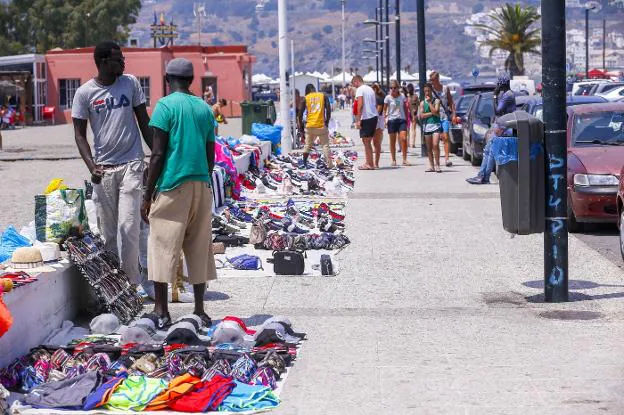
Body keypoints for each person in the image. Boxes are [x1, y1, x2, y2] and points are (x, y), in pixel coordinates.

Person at [141, 58, 217, 328]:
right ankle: (199, 310)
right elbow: (211, 156)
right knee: (198, 246)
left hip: (173, 184)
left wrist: (147, 194)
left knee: (162, 246)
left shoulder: (165, 106)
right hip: (202, 185)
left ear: (167, 79)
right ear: (191, 81)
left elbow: (158, 154)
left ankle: (161, 310)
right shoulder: (205, 109)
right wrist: (204, 181)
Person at [72, 41, 152, 289]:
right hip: (104, 170)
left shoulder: (130, 83)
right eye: (119, 59)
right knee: (107, 235)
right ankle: (115, 287)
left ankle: (132, 283)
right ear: (104, 62)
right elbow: (79, 135)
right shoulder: (84, 93)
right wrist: (91, 165)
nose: (124, 63)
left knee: (129, 226)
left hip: (132, 164)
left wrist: (160, 155)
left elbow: (144, 122)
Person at [466, 73, 517, 185]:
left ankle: (483, 176)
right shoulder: (507, 94)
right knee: (489, 150)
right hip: (500, 126)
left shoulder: (508, 95)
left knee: (490, 151)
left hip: (502, 128)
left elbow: (497, 111)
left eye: (499, 84)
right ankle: (483, 175)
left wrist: (494, 96)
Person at [298, 84, 332, 168]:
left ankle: (304, 163)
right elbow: (328, 109)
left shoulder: (306, 98)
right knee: (325, 145)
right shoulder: (323, 96)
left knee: (307, 146)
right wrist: (327, 122)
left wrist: (302, 128)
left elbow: (300, 114)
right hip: (321, 125)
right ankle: (329, 164)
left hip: (310, 126)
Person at [429, 71, 455, 167]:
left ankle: (447, 159)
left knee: (445, 137)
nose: (431, 81)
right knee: (435, 141)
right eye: (430, 80)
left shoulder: (445, 89)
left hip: (444, 116)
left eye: (433, 80)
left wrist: (454, 115)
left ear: (437, 79)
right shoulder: (430, 90)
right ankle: (437, 159)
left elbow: (451, 102)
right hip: (434, 117)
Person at [352, 75, 378, 170]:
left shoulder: (360, 90)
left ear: (357, 81)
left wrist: (358, 120)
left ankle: (370, 164)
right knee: (367, 141)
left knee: (366, 141)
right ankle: (369, 162)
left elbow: (360, 105)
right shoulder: (370, 89)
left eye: (354, 84)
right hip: (373, 116)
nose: (354, 87)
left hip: (367, 117)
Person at [384, 79, 410, 166]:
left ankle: (405, 159)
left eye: (395, 87)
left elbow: (406, 108)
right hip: (392, 120)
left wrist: (407, 119)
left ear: (398, 88)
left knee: (403, 139)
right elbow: (384, 110)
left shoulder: (402, 96)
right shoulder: (388, 98)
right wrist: (385, 120)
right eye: (391, 88)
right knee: (392, 141)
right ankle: (394, 159)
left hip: (401, 120)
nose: (393, 89)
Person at [419, 83, 443, 173]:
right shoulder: (422, 103)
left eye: (428, 91)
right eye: (425, 91)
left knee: (436, 145)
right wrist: (431, 113)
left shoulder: (436, 101)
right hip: (427, 127)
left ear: (431, 91)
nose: (427, 93)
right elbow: (421, 115)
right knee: (429, 148)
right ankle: (431, 165)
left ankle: (437, 165)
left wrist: (429, 103)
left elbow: (436, 112)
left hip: (435, 125)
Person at [372, 83, 385, 168]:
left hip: (378, 120)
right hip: (375, 120)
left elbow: (378, 111)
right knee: (375, 142)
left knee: (376, 143)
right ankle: (375, 162)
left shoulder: (379, 98)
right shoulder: (374, 98)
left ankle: (376, 163)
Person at [406, 84, 420, 148]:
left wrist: (417, 111)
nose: (409, 90)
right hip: (408, 114)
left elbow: (418, 104)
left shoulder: (415, 96)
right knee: (408, 129)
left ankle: (412, 143)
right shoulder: (407, 96)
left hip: (414, 114)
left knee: (413, 129)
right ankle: (408, 143)